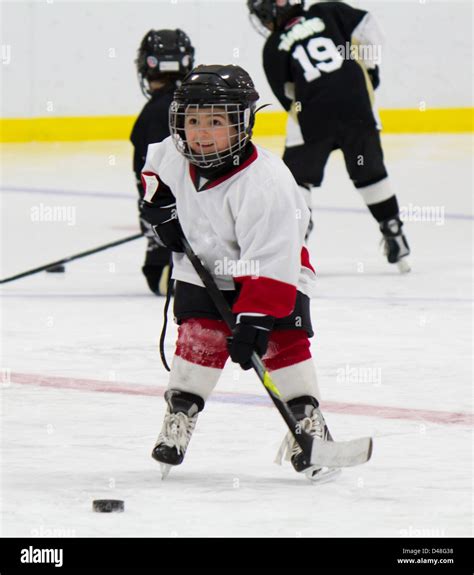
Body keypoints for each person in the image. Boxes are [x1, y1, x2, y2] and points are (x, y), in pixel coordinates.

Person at [141, 64, 336, 482]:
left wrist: (255, 318)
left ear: (242, 123)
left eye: (216, 122)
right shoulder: (172, 155)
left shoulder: (266, 182)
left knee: (285, 340)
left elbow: (272, 258)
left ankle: (307, 422)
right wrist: (160, 210)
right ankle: (180, 415)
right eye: (192, 121)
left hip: (274, 273)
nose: (201, 132)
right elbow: (154, 172)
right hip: (204, 269)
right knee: (198, 337)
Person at [247, 0, 411, 272]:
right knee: (370, 172)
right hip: (356, 107)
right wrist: (369, 68)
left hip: (313, 116)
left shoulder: (274, 46)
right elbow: (368, 25)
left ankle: (297, 235)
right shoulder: (327, 11)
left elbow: (288, 96)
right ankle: (393, 228)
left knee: (297, 179)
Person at [131, 29, 195, 295]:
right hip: (221, 224)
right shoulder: (202, 104)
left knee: (157, 278)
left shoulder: (153, 113)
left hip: (184, 234)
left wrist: (155, 223)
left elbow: (148, 178)